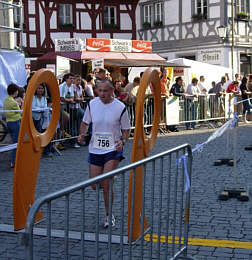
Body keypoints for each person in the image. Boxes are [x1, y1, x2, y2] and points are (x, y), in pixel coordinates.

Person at [78, 79, 131, 228]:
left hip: (113, 149)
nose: (102, 94)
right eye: (99, 91)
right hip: (95, 148)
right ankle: (109, 177)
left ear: (112, 90)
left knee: (105, 184)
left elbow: (126, 129)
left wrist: (123, 141)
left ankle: (109, 215)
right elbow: (85, 122)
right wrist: (82, 134)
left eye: (105, 91)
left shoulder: (120, 107)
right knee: (95, 185)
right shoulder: (92, 104)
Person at [3, 83, 22, 168]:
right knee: (16, 143)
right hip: (15, 123)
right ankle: (13, 162)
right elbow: (20, 113)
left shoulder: (6, 100)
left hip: (9, 123)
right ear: (15, 91)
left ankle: (14, 161)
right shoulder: (14, 102)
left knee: (14, 143)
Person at [32, 83, 53, 156]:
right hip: (33, 119)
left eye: (41, 88)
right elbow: (33, 108)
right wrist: (40, 110)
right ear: (36, 89)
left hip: (42, 119)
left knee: (42, 134)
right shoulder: (33, 97)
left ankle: (44, 151)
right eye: (39, 88)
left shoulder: (44, 98)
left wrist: (40, 110)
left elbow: (44, 108)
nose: (40, 90)